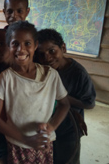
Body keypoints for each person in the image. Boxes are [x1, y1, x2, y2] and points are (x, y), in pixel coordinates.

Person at [0, 21, 70, 164]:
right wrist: (25, 139)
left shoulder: (51, 76)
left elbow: (64, 104)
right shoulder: (5, 79)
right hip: (17, 144)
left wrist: (51, 126)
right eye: (15, 44)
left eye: (27, 43)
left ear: (35, 45)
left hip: (43, 143)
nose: (21, 49)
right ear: (9, 46)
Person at [36, 28, 96, 164]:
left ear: (63, 48)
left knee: (68, 159)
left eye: (52, 51)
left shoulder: (78, 73)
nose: (47, 58)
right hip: (47, 128)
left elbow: (89, 103)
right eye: (41, 54)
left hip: (69, 129)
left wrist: (61, 97)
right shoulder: (41, 69)